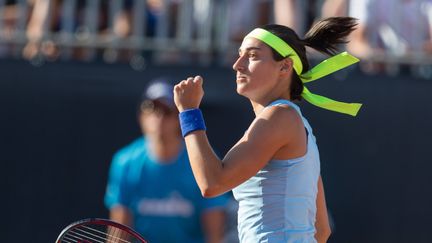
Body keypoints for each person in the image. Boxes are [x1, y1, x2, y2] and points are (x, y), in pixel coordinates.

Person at [173, 17, 362, 242]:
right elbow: (321, 230)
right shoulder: (296, 124)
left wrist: (189, 113)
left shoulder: (280, 116)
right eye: (240, 54)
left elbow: (212, 183)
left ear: (285, 66)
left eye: (252, 56)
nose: (237, 64)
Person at [104, 78, 228, 243]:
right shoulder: (125, 162)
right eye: (151, 108)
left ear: (179, 119)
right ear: (141, 116)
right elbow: (118, 232)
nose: (159, 116)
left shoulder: (201, 162)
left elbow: (214, 236)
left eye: (167, 110)